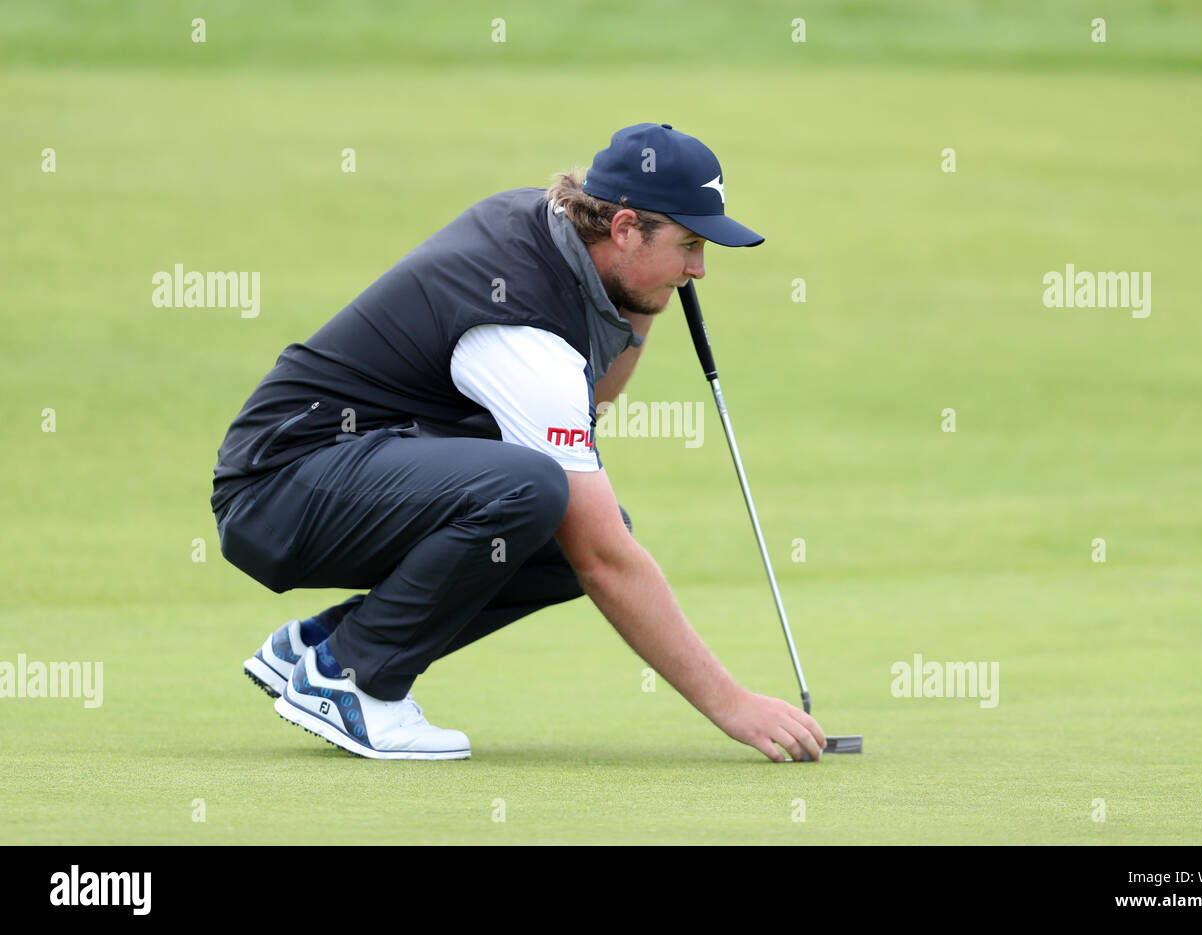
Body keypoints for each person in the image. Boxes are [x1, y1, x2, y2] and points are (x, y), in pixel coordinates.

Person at [211, 123, 827, 762]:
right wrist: (732, 704)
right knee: (541, 496)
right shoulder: (521, 328)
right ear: (622, 229)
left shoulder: (554, 231)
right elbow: (606, 561)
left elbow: (593, 400)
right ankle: (352, 680)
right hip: (280, 489)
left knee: (562, 527)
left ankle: (319, 651)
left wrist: (643, 297)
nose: (698, 269)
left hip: (343, 473)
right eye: (689, 245)